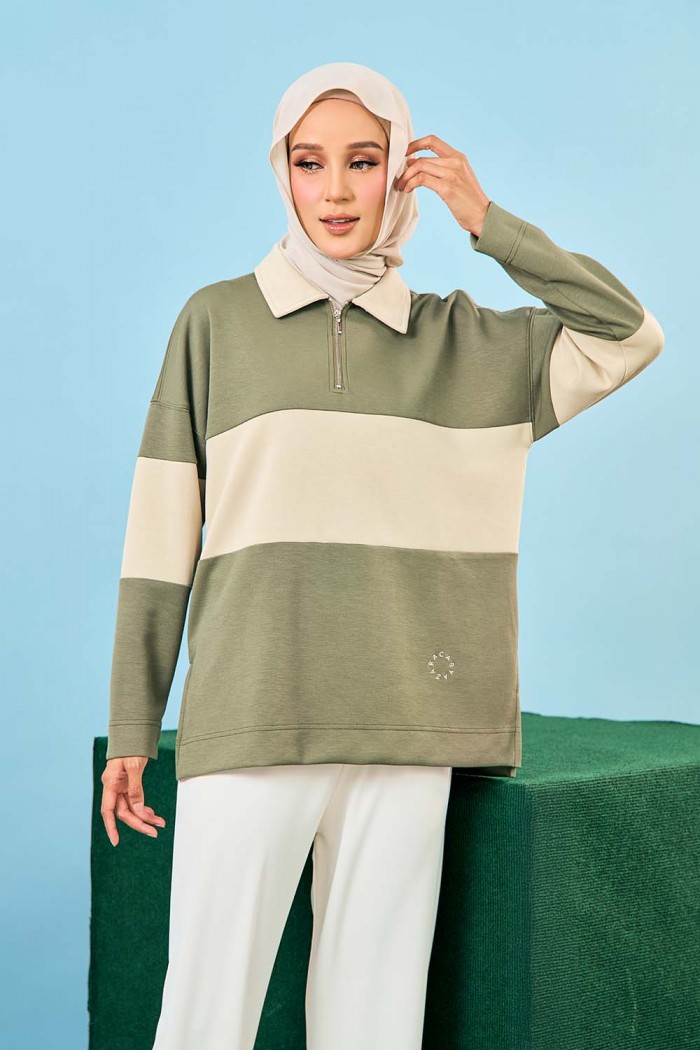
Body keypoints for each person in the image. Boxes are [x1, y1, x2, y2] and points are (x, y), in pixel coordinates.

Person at [100, 61, 664, 1049]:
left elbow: (629, 334)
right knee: (201, 1024)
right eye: (309, 162)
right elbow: (159, 535)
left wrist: (489, 222)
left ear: (401, 171)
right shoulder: (214, 322)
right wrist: (132, 722)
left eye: (363, 162)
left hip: (407, 727)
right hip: (252, 714)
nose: (334, 191)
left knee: (373, 1030)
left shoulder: (470, 346)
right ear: (281, 171)